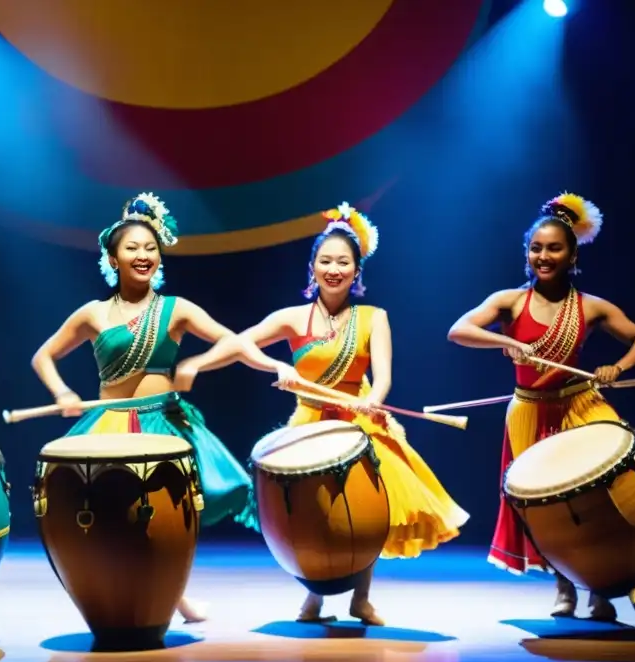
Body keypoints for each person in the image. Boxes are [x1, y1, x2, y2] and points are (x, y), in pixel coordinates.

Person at [186, 203, 470, 626]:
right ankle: (314, 597)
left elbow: (384, 375)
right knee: (308, 515)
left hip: (360, 422)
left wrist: (376, 399)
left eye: (343, 261)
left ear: (357, 271)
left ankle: (361, 598)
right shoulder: (292, 318)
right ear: (312, 267)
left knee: (365, 516)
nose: (334, 268)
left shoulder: (374, 318)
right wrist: (196, 366)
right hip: (310, 422)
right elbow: (236, 344)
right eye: (326, 260)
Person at [30, 192, 292, 624]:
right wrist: (61, 393)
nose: (142, 255)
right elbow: (43, 356)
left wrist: (270, 363)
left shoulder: (176, 309)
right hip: (110, 423)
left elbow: (236, 341)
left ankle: (174, 595)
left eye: (150, 248)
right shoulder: (93, 314)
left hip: (164, 422)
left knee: (170, 513)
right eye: (132, 248)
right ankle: (117, 596)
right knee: (112, 514)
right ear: (112, 258)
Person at [447, 192, 635, 621]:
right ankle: (564, 586)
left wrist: (618, 365)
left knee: (612, 483)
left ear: (572, 253)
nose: (543, 255)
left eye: (554, 248)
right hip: (530, 412)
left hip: (580, 407)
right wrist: (508, 341)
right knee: (554, 507)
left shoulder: (591, 307)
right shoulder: (510, 302)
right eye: (536, 248)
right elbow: (458, 330)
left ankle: (609, 584)